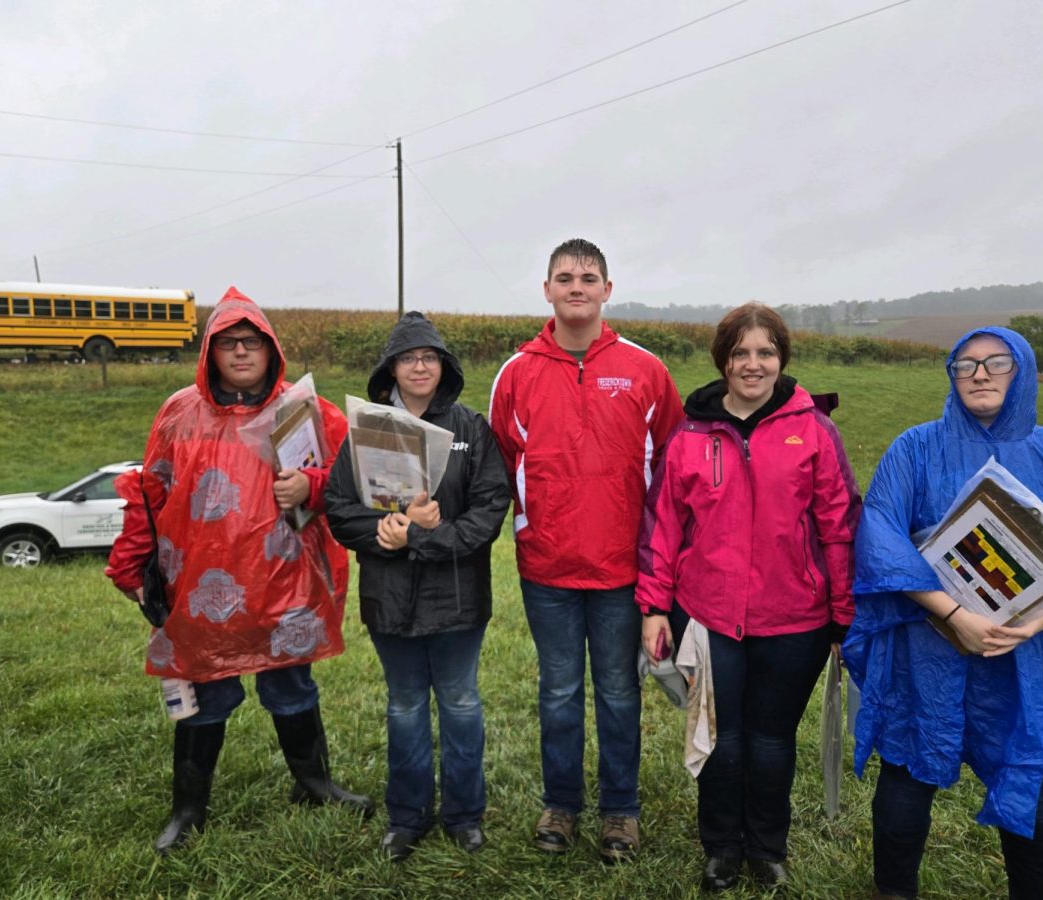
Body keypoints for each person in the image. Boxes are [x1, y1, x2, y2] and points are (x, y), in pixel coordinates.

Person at [843, 327, 1043, 900]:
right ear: (951, 376)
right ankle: (893, 891)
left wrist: (1036, 622)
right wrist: (954, 614)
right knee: (906, 769)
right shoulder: (915, 447)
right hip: (929, 644)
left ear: (1021, 370)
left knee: (1029, 773)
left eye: (996, 363)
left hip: (1025, 650)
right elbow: (880, 534)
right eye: (965, 364)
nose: (980, 374)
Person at [106, 287, 373, 855]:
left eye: (252, 342)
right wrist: (130, 562)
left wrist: (314, 485)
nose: (242, 352)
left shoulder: (304, 410)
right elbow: (150, 492)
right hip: (203, 583)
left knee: (292, 684)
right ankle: (189, 807)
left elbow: (352, 479)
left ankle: (314, 783)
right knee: (206, 691)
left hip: (285, 580)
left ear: (270, 348)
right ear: (210, 352)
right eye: (229, 343)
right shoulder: (180, 412)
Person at [636, 303, 861, 892]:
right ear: (724, 360)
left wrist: (844, 618)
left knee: (769, 740)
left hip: (795, 620)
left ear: (781, 359)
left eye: (765, 352)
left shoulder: (813, 429)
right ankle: (720, 849)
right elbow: (662, 527)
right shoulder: (689, 435)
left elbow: (838, 526)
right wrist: (655, 607)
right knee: (721, 738)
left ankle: (765, 848)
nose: (753, 364)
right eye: (741, 353)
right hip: (708, 618)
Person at [488, 238, 683, 862]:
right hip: (546, 567)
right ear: (546, 290)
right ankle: (562, 805)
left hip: (624, 569)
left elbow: (674, 472)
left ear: (607, 290)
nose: (577, 286)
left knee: (621, 692)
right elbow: (499, 467)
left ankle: (620, 812)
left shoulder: (646, 369)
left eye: (588, 276)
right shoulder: (516, 372)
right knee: (559, 692)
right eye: (564, 277)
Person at [325, 312, 511, 861]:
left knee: (459, 702)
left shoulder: (471, 429)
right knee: (404, 705)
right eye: (409, 358)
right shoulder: (368, 430)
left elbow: (490, 507)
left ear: (444, 366)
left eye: (430, 357)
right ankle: (406, 818)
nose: (420, 366)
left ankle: (464, 815)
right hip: (390, 598)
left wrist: (427, 536)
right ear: (392, 369)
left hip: (457, 596)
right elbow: (338, 507)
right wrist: (380, 533)